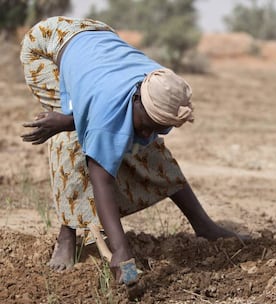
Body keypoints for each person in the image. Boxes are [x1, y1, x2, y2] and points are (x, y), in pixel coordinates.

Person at [20, 16, 241, 288]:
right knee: (73, 142)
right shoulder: (113, 103)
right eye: (149, 124)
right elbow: (101, 177)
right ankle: (68, 234)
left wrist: (80, 120)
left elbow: (123, 123)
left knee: (143, 144)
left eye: (159, 127)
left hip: (97, 38)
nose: (149, 133)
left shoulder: (160, 84)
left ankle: (203, 225)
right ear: (136, 99)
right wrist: (121, 251)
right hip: (47, 45)